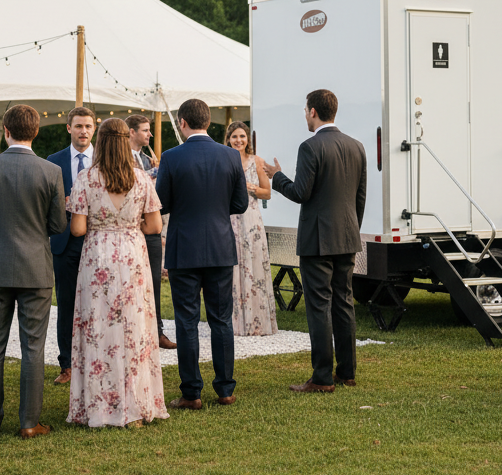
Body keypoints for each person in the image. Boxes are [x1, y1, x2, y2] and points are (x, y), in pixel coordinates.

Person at [66, 118, 169, 427]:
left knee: (99, 327)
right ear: (126, 141)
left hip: (98, 257)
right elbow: (155, 226)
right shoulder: (142, 178)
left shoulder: (86, 178)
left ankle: (100, 406)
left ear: (101, 142)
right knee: (134, 327)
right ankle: (136, 405)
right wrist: (129, 225)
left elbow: (78, 229)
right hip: (133, 255)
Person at [0, 105, 66, 439]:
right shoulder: (51, 171)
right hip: (35, 268)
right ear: (36, 131)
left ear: (5, 130)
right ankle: (29, 423)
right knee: (33, 347)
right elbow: (58, 224)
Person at [264, 91, 365, 391]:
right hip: (347, 237)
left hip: (318, 240)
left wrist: (277, 176)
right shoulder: (357, 146)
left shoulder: (310, 146)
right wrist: (351, 230)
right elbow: (359, 198)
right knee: (344, 303)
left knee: (319, 307)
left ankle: (322, 377)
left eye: (305, 111)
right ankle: (346, 372)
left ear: (312, 112)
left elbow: (300, 193)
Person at [156, 99, 249, 409]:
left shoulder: (171, 157)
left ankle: (191, 393)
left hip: (184, 247)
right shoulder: (231, 156)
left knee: (186, 321)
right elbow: (240, 204)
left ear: (182, 122)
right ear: (208, 122)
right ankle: (225, 389)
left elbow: (161, 203)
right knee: (221, 320)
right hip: (220, 247)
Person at [45, 106, 95, 384]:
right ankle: (67, 364)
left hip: (96, 240)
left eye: (88, 126)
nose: (83, 131)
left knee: (97, 302)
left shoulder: (104, 159)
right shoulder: (53, 161)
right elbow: (44, 201)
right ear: (69, 128)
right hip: (64, 241)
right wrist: (60, 205)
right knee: (66, 304)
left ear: (94, 128)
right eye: (78, 126)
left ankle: (95, 359)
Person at [126, 113, 174, 349]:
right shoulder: (120, 158)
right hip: (128, 229)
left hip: (151, 227)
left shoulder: (148, 159)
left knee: (153, 281)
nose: (150, 134)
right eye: (145, 130)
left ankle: (158, 332)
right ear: (132, 132)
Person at [226, 121, 278, 337]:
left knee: (253, 264)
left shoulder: (257, 161)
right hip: (229, 219)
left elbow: (268, 192)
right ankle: (233, 322)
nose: (238, 140)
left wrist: (253, 188)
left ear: (248, 139)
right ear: (228, 139)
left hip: (251, 219)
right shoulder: (224, 160)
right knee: (232, 266)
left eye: (242, 136)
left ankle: (257, 320)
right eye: (234, 137)